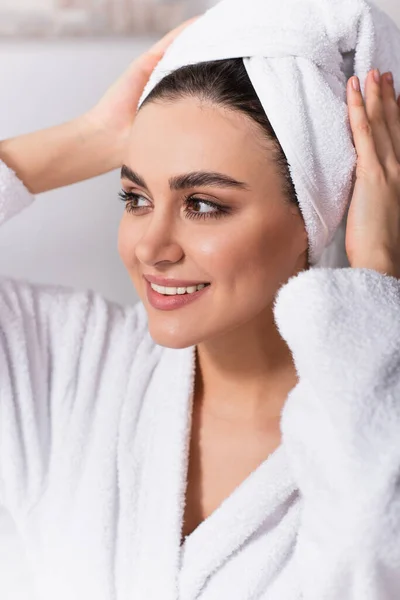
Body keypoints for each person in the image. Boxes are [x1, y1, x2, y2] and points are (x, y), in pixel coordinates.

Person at [1, 13, 400, 600]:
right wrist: (86, 139)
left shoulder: (373, 417)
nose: (150, 248)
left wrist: (377, 277)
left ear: (323, 209)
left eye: (204, 205)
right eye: (135, 197)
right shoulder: (72, 364)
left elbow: (367, 569)